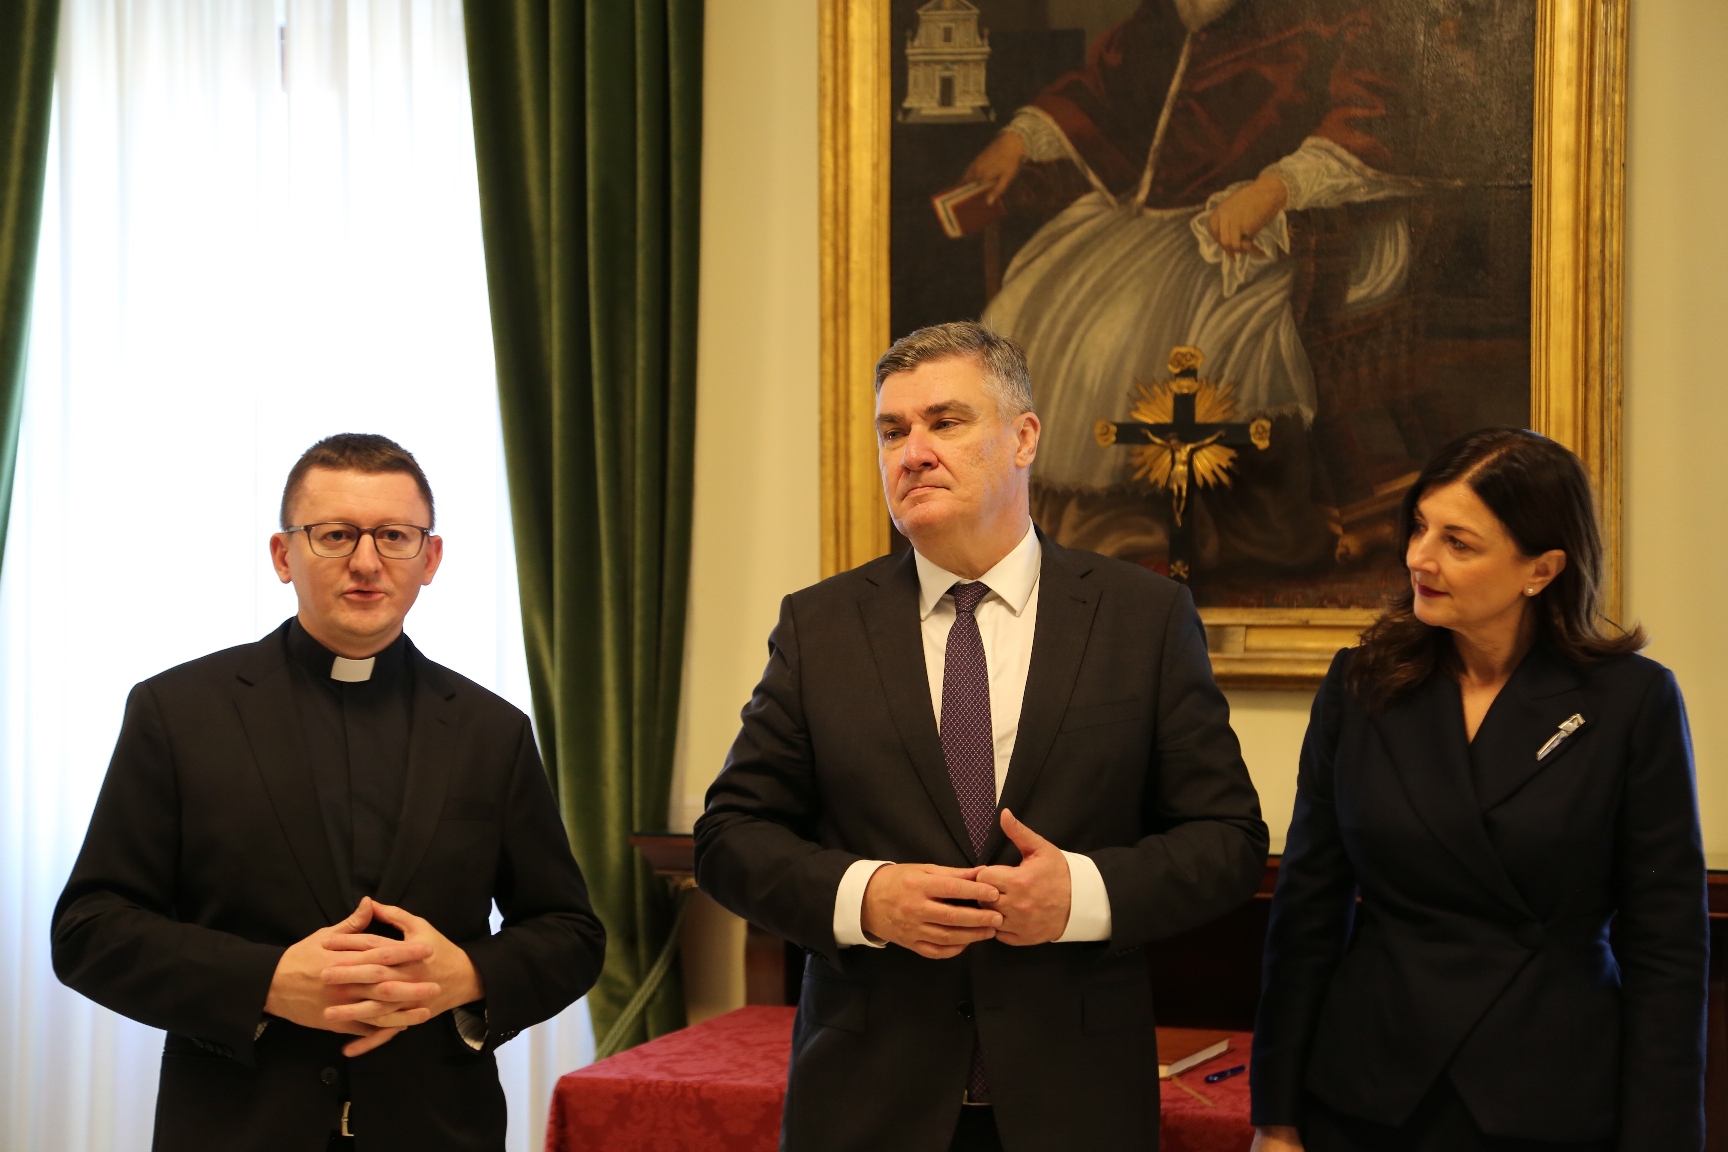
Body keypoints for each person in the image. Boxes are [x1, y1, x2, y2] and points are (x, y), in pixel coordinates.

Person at [694, 322, 1268, 1152]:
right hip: (868, 1108)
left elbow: (1227, 841)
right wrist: (866, 897)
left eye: (945, 422)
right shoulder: (821, 626)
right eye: (893, 431)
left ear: (1023, 437)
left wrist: (1080, 896)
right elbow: (729, 839)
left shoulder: (1141, 618)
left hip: (1073, 1107)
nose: (913, 453)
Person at [52, 434, 605, 1152]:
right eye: (336, 534)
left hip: (436, 1129)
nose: (367, 562)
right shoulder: (177, 712)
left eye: (395, 536)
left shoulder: (491, 731)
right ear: (283, 556)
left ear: (431, 558)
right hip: (238, 1130)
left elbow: (570, 934)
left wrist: (466, 975)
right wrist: (267, 981)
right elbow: (90, 931)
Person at [1250, 427, 1707, 1151]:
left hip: (1544, 1098)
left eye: (1458, 543)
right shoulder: (1361, 683)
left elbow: (1668, 947)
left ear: (1541, 569)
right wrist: (1275, 1117)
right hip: (1369, 1089)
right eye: (1419, 527)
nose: (1420, 558)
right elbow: (1307, 909)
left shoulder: (1632, 702)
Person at [964, 0, 1422, 568]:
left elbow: (1376, 118)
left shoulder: (1337, 13)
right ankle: (1059, 514)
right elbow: (1100, 89)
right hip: (1165, 222)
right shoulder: (1167, 17)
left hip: (1308, 229)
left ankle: (1179, 524)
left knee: (1155, 326)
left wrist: (1275, 188)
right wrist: (1022, 138)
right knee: (1024, 306)